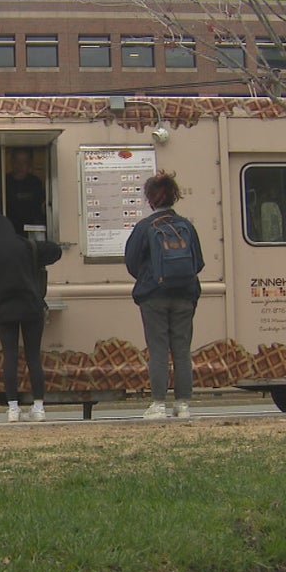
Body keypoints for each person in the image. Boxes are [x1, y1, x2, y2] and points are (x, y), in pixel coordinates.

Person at [124, 171, 205, 419]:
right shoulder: (186, 226)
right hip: (185, 295)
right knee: (182, 350)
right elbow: (198, 263)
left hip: (154, 296)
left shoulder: (144, 227)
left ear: (150, 199)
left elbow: (131, 263)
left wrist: (150, 277)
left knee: (158, 349)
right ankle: (183, 404)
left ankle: (158, 403)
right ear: (174, 196)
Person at [0, 212, 62, 422]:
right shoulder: (26, 245)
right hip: (31, 308)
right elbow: (55, 251)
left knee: (10, 357)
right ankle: (38, 408)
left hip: (4, 311)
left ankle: (12, 408)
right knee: (33, 357)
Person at [4, 148, 46, 236]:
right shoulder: (4, 182)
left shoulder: (35, 183)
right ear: (12, 162)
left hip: (32, 233)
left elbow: (41, 209)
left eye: (25, 162)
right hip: (9, 233)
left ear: (30, 164)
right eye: (17, 162)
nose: (20, 166)